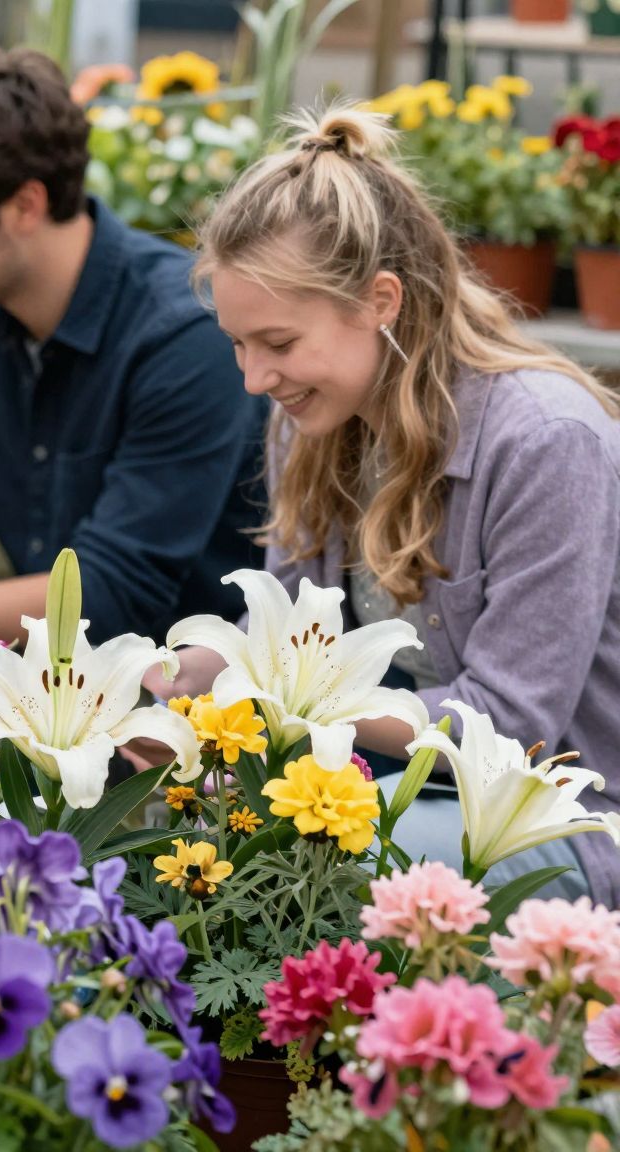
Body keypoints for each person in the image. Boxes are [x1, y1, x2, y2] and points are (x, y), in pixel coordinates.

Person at [150, 105, 620, 901]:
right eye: (238, 341)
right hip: (387, 793)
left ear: (381, 301)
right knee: (169, 840)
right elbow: (287, 640)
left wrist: (278, 703)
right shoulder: (307, 419)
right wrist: (185, 683)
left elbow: (510, 723)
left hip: (555, 819)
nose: (254, 378)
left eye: (279, 343)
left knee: (313, 884)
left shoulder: (546, 441)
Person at [0, 46, 264, 648]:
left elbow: (111, 595)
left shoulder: (186, 335)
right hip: (40, 679)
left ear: (24, 205)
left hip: (183, 702)